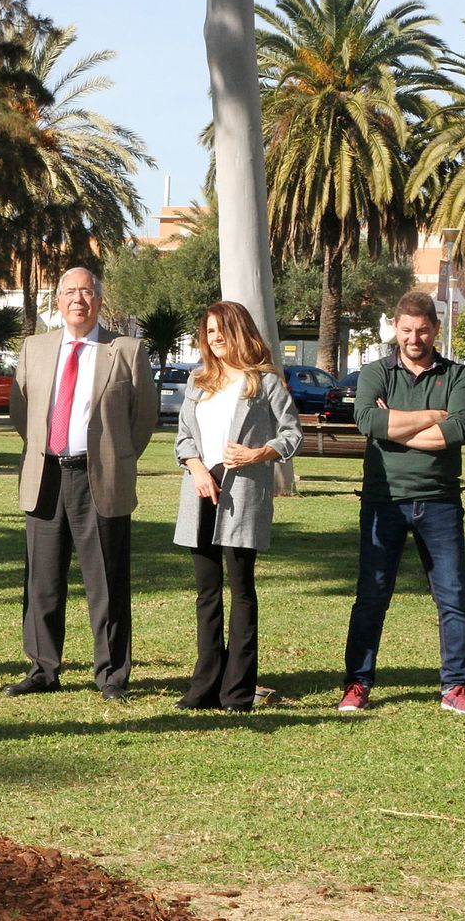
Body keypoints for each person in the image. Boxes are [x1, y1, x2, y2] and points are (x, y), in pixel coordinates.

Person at [3, 267, 157, 702]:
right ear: (58, 300)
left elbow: (143, 418)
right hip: (46, 475)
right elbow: (22, 413)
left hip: (100, 477)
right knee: (42, 581)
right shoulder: (34, 348)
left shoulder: (126, 351)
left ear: (99, 300)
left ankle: (111, 676)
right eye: (70, 291)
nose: (78, 299)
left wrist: (115, 457)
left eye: (86, 291)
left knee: (107, 582)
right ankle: (42, 669)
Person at [340, 290, 465, 715]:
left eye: (422, 330)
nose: (414, 339)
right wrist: (433, 415)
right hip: (384, 501)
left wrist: (395, 426)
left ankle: (455, 686)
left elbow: (460, 430)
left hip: (440, 502)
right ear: (395, 330)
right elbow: (367, 420)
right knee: (371, 596)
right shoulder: (375, 372)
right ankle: (357, 682)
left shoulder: (457, 376)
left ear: (435, 329)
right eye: (406, 330)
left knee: (452, 597)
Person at [171, 301, 301, 712]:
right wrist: (196, 468)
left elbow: (292, 434)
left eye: (222, 330)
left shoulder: (264, 382)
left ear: (240, 331)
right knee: (206, 592)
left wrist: (258, 453)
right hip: (200, 493)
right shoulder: (197, 380)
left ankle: (237, 691)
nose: (215, 338)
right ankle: (204, 686)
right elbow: (183, 438)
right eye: (209, 331)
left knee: (241, 590)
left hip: (242, 495)